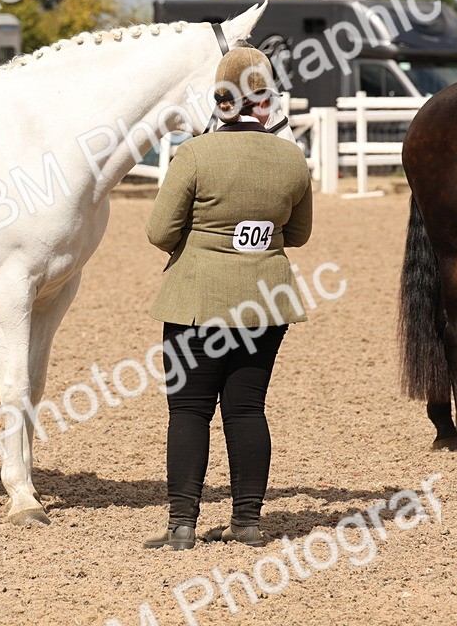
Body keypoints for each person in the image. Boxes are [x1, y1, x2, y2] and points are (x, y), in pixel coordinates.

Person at [143, 47, 313, 550]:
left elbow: (158, 231)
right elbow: (298, 234)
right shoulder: (292, 158)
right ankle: (247, 522)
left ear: (221, 101)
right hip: (264, 302)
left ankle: (181, 525)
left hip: (196, 301)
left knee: (189, 410)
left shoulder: (194, 154)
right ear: (263, 103)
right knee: (247, 410)